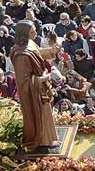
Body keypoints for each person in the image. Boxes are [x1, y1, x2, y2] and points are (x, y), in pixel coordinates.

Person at [10, 21, 59, 152]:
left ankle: (49, 138)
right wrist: (42, 78)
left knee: (47, 112)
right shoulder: (21, 54)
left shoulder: (30, 43)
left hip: (42, 87)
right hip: (33, 91)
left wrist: (51, 51)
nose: (36, 33)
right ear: (24, 34)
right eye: (32, 32)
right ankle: (42, 140)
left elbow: (38, 52)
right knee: (40, 115)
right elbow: (23, 81)